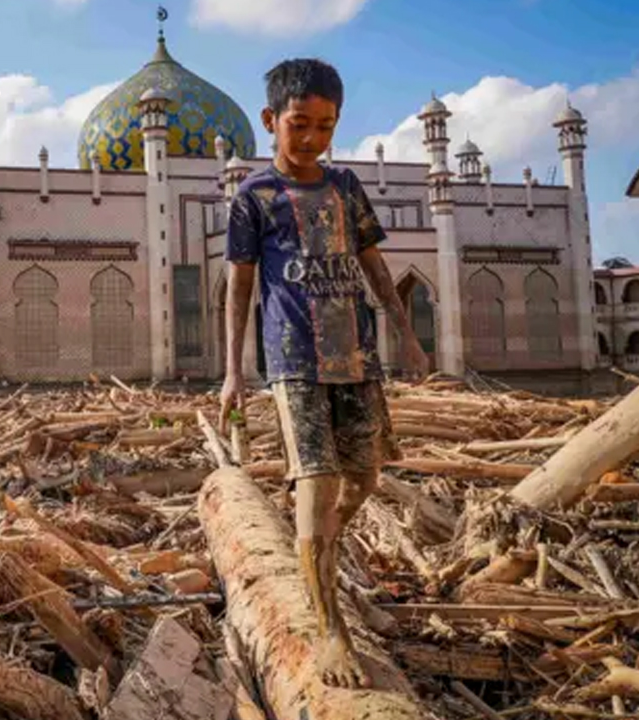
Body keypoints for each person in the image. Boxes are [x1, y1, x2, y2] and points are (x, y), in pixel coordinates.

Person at [218, 58, 430, 688]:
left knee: (361, 478)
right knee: (315, 480)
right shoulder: (253, 198)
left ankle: (315, 542)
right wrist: (233, 373)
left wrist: (407, 338)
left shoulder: (346, 187)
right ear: (270, 121)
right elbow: (239, 290)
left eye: (325, 125)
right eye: (299, 124)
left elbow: (374, 266)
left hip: (357, 358)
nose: (311, 138)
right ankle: (329, 630)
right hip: (295, 362)